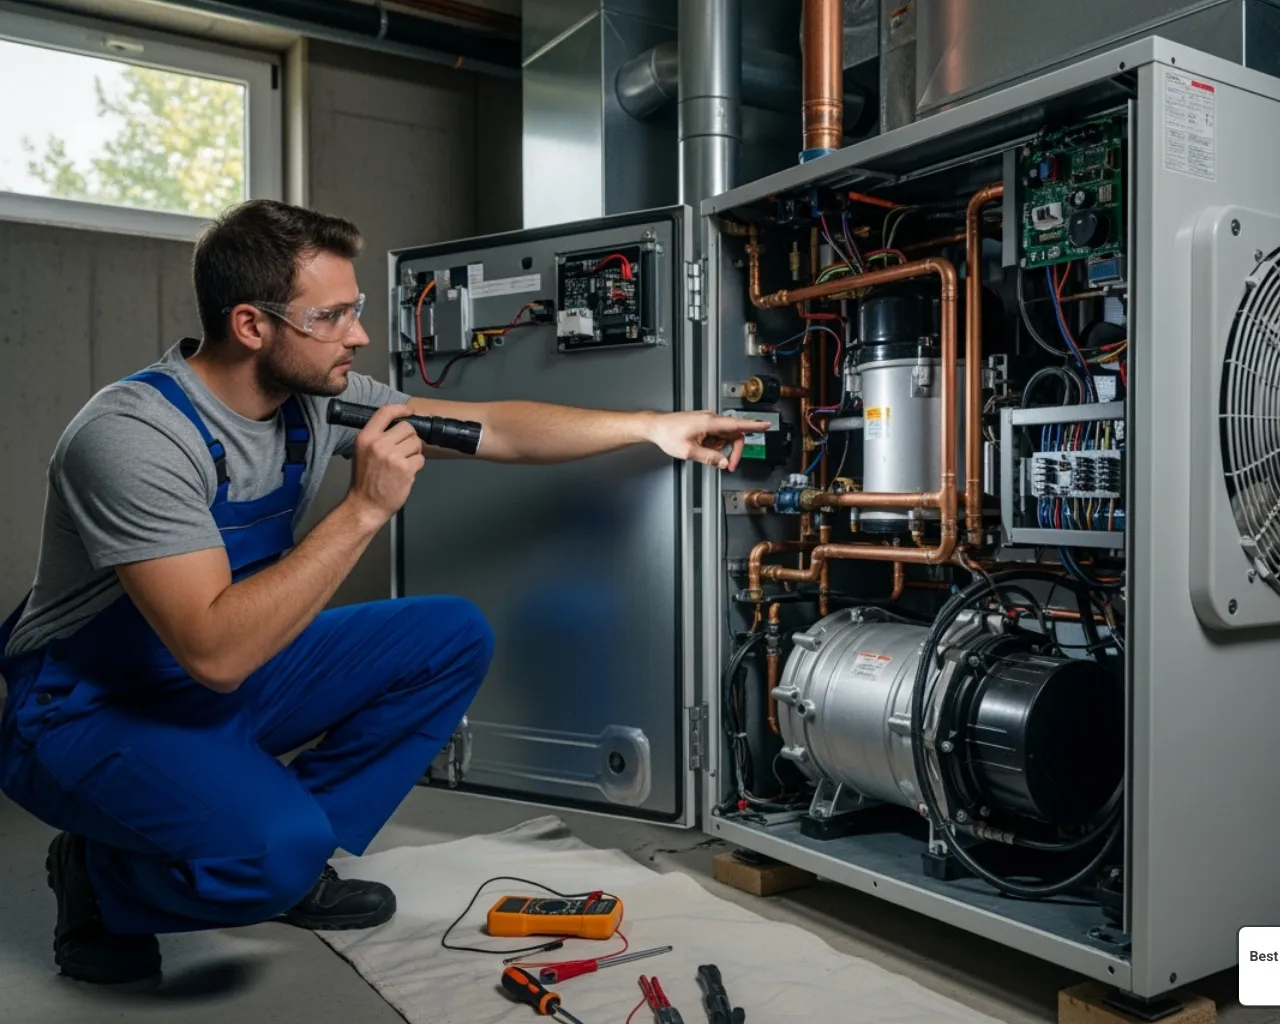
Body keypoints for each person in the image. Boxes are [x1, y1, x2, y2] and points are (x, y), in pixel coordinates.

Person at [0, 199, 770, 985]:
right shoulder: (134, 437)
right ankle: (102, 877)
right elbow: (216, 652)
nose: (359, 335)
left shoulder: (316, 401)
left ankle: (285, 852)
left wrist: (648, 426)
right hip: (90, 706)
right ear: (251, 325)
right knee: (268, 853)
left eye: (357, 309)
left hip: (209, 674)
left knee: (449, 637)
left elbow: (491, 428)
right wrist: (365, 508)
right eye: (331, 316)